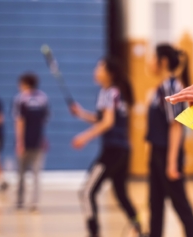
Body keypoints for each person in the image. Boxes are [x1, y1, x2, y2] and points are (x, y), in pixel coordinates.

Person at [70, 57, 143, 237]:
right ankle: (141, 230)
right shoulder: (117, 92)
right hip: (123, 150)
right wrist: (81, 114)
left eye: (99, 68)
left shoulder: (109, 92)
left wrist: (84, 137)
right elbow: (104, 119)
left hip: (112, 152)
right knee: (121, 194)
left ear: (109, 73)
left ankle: (94, 233)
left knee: (86, 192)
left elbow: (107, 123)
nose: (96, 71)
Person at [145, 44, 193, 237]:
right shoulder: (161, 87)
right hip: (157, 153)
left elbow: (176, 126)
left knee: (180, 204)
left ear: (163, 61)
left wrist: (171, 163)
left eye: (153, 57)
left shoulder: (171, 86)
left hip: (168, 154)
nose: (149, 62)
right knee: (155, 203)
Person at [13, 72, 49, 211]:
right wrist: (44, 138)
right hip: (38, 141)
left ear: (25, 84)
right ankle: (35, 203)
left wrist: (19, 142)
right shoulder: (43, 98)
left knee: (21, 174)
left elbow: (19, 122)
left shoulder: (21, 99)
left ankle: (20, 201)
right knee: (36, 174)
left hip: (26, 142)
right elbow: (44, 121)